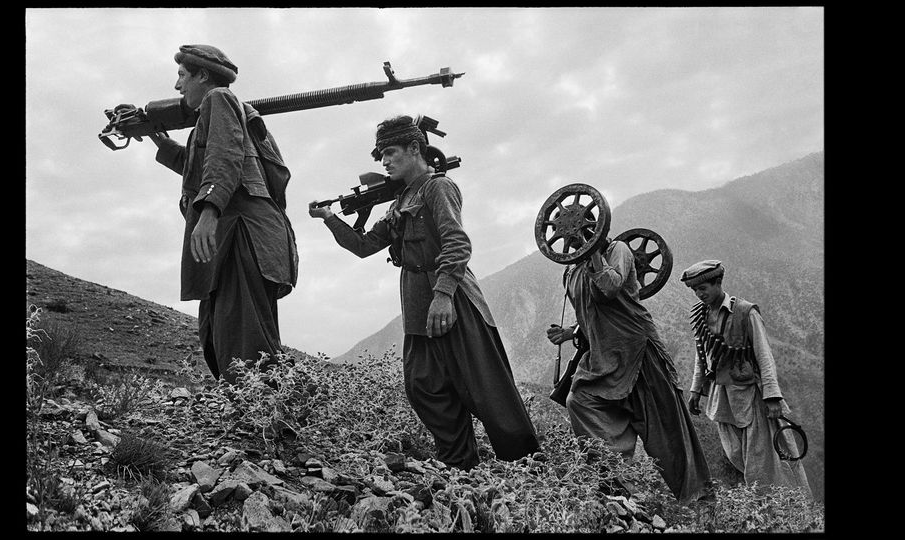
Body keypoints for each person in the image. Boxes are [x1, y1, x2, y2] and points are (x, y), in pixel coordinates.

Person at [308, 115, 539, 470]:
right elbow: (364, 246)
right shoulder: (399, 202)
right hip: (417, 303)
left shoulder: (438, 187)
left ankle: (528, 467)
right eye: (382, 155)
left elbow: (457, 243)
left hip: (454, 298)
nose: (385, 162)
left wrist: (443, 294)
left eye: (390, 152)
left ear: (415, 148)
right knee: (423, 386)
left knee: (488, 389)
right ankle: (460, 464)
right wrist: (329, 218)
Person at [116, 44, 298, 384]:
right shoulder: (217, 113)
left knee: (244, 339)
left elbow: (225, 155)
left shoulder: (219, 98)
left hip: (242, 231)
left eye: (182, 76)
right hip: (237, 235)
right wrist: (154, 135)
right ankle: (256, 403)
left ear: (202, 75)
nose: (177, 85)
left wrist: (209, 210)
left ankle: (267, 406)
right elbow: (198, 165)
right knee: (220, 333)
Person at [546, 239, 711, 502]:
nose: (573, 237)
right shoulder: (572, 271)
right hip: (603, 357)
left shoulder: (618, 250)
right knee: (579, 400)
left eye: (581, 231)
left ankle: (699, 501)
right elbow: (590, 311)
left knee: (667, 430)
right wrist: (570, 332)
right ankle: (615, 482)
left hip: (638, 351)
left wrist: (594, 253)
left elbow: (610, 288)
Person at [681, 260, 811, 494]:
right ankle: (763, 501)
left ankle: (780, 504)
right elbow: (702, 355)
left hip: (750, 398)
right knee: (736, 455)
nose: (699, 294)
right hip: (721, 400)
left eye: (703, 288)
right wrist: (695, 389)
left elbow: (764, 355)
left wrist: (772, 396)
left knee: (762, 462)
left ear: (718, 282)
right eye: (695, 290)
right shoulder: (703, 314)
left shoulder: (745, 312)